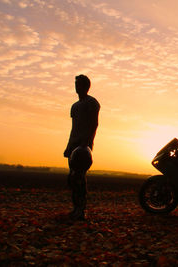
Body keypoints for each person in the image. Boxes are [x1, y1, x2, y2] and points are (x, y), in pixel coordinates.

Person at [64, 74, 100, 220]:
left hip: (83, 146)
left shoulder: (92, 103)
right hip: (73, 144)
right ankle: (75, 208)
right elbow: (74, 127)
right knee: (72, 178)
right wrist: (68, 146)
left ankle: (81, 209)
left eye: (79, 84)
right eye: (76, 84)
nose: (77, 86)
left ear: (86, 86)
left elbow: (94, 124)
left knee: (79, 178)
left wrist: (86, 142)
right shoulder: (75, 106)